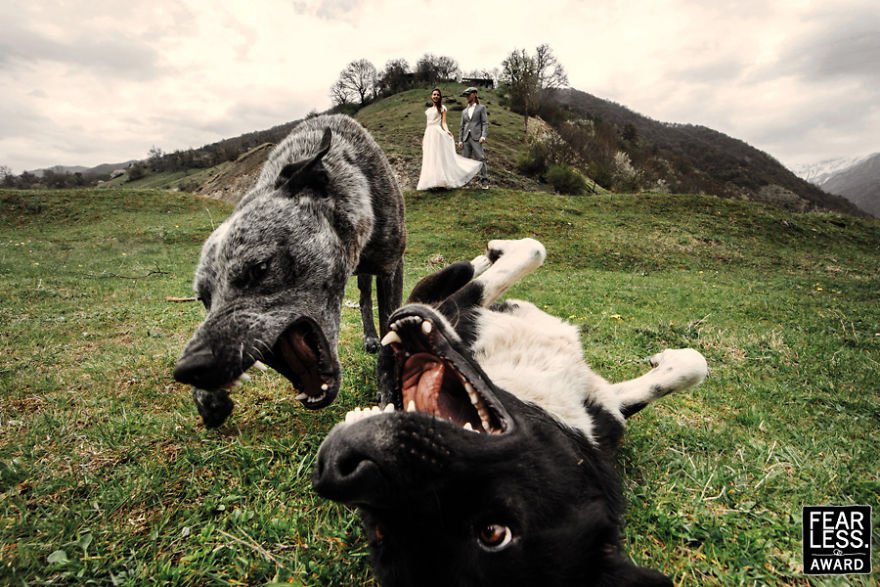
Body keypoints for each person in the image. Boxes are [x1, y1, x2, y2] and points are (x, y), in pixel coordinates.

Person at [416, 88, 483, 191]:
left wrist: (447, 131)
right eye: (434, 94)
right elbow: (427, 125)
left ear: (440, 96)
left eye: (438, 95)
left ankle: (441, 182)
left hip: (437, 133)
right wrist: (424, 138)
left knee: (438, 157)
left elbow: (443, 122)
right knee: (430, 157)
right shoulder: (428, 111)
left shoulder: (442, 108)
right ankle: (431, 182)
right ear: (431, 96)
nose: (436, 96)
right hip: (429, 134)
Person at [458, 86, 489, 189]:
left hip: (477, 137)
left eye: (469, 95)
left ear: (475, 94)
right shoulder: (464, 111)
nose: (467, 97)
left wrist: (483, 136)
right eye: (466, 95)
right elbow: (462, 127)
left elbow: (485, 123)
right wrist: (460, 140)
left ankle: (484, 181)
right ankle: (466, 182)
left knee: (480, 158)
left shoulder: (481, 108)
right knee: (465, 160)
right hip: (466, 138)